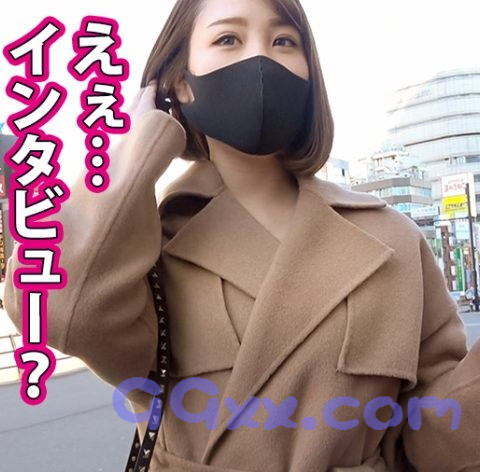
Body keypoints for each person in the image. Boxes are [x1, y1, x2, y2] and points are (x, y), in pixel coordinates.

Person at [4, 0, 480, 471]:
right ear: (180, 82)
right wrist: (136, 148)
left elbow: (433, 435)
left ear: (309, 73)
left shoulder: (394, 240)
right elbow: (53, 306)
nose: (261, 59)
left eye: (284, 41)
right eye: (228, 38)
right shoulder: (143, 247)